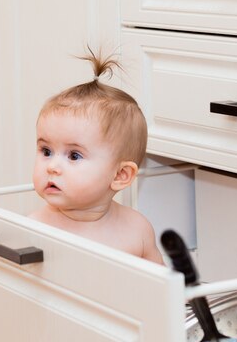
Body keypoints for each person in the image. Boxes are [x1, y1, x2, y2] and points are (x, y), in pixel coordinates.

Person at [29, 49, 164, 265]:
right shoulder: (36, 228)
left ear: (120, 175)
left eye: (74, 155)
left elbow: (163, 293)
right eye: (46, 151)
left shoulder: (137, 229)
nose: (52, 166)